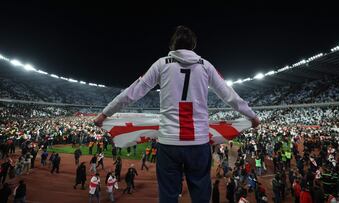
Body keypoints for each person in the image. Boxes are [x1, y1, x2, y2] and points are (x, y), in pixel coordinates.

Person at [94, 25, 260, 203]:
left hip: (169, 143)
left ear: (172, 45)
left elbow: (132, 92)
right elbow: (230, 96)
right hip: (198, 143)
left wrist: (105, 113)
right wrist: (252, 116)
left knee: (168, 196)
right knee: (201, 196)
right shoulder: (206, 66)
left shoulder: (161, 64)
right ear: (193, 45)